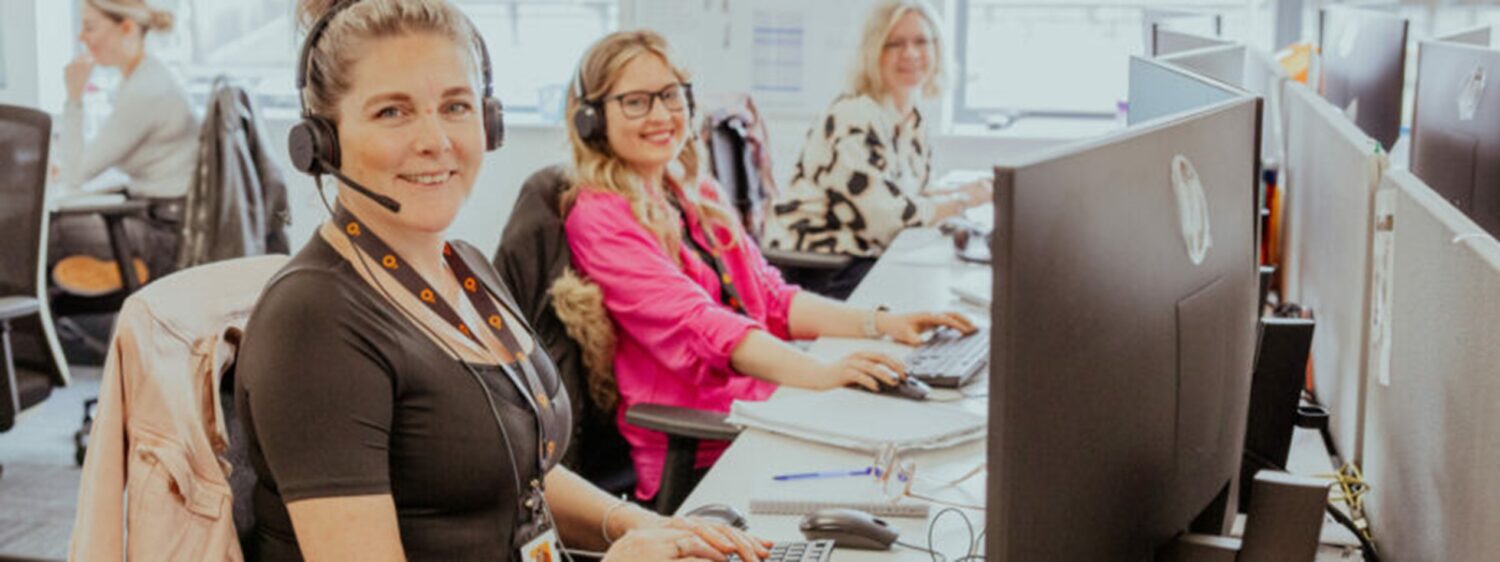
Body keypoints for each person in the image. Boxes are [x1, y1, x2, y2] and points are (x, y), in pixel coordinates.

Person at [234, 2, 766, 560]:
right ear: (323, 139)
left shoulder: (463, 266)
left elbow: (514, 467)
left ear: (488, 121)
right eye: (393, 112)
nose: (435, 140)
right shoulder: (315, 320)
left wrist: (634, 524)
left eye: (456, 106)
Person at [559, 30, 977, 505]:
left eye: (671, 95)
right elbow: (703, 325)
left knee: (918, 447)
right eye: (635, 101)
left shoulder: (694, 191)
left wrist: (883, 322)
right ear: (593, 118)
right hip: (708, 451)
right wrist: (818, 373)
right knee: (899, 479)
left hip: (766, 409)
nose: (661, 114)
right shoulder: (600, 217)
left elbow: (772, 298)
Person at [760, 0, 992, 299]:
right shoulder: (854, 117)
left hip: (864, 255)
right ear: (873, 53)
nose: (910, 53)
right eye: (895, 44)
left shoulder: (911, 118)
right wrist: (963, 200)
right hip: (825, 265)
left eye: (921, 41)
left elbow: (911, 196)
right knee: (927, 298)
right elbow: (886, 222)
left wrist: (968, 193)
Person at [51, 0, 197, 294]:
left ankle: (43, 335)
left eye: (90, 27)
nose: (82, 37)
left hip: (162, 235)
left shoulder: (145, 91)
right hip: (158, 219)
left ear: (127, 28)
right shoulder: (145, 77)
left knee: (46, 233)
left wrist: (74, 98)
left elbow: (76, 173)